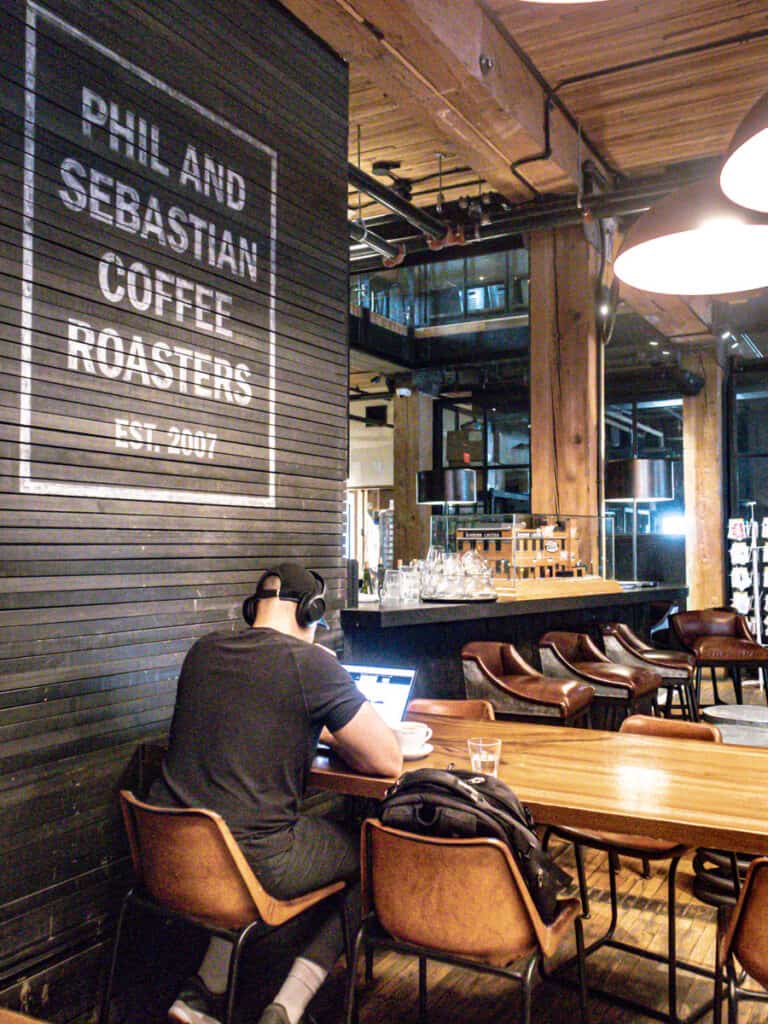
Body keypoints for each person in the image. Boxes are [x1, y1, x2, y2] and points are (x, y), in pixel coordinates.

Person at [150, 562, 402, 1024]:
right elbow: (387, 760)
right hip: (252, 860)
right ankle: (287, 1007)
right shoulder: (312, 664)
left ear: (254, 608)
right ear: (310, 613)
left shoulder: (203, 651)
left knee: (235, 827)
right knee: (373, 853)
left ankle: (200, 994)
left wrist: (316, 728)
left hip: (168, 856)